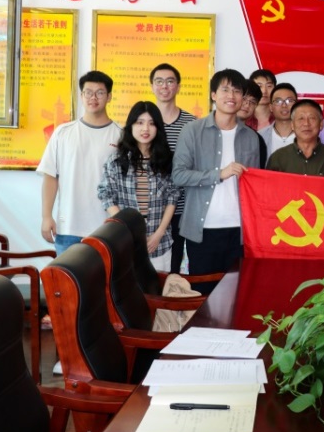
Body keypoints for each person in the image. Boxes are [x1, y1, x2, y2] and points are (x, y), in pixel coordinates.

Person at [172, 69, 261, 292]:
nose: (231, 95)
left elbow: (256, 187)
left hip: (240, 232)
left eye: (237, 91)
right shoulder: (192, 131)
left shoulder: (251, 137)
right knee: (203, 296)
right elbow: (178, 175)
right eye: (225, 89)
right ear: (213, 95)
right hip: (202, 230)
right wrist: (218, 174)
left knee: (236, 295)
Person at [38, 70, 120, 255]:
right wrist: (46, 216)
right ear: (81, 96)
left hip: (107, 229)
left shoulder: (121, 136)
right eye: (88, 92)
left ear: (109, 97)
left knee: (105, 275)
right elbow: (50, 177)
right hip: (69, 228)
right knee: (66, 274)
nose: (93, 98)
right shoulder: (63, 132)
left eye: (99, 92)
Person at [98, 101, 180, 271]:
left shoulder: (167, 160)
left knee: (158, 287)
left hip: (158, 244)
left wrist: (158, 234)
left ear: (158, 128)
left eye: (151, 123)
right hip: (125, 242)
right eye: (140, 122)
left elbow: (173, 196)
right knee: (127, 287)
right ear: (131, 126)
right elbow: (106, 194)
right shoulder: (117, 160)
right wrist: (128, 229)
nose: (145, 129)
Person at [150, 63, 195, 274]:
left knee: (174, 267)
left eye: (170, 81)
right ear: (152, 86)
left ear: (178, 86)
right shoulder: (144, 121)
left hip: (181, 209)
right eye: (159, 81)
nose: (164, 86)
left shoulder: (191, 124)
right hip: (150, 208)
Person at [267, 99, 324, 177]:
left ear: (321, 124)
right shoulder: (278, 158)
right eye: (301, 118)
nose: (306, 123)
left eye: (312, 118)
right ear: (292, 125)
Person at [259, 82, 297, 159]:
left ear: (296, 105)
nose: (284, 105)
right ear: (271, 107)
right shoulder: (260, 137)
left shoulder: (307, 135)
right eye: (278, 101)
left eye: (289, 101)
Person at [236, 79, 268, 168]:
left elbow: (259, 172)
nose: (247, 105)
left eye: (252, 102)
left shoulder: (257, 139)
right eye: (244, 99)